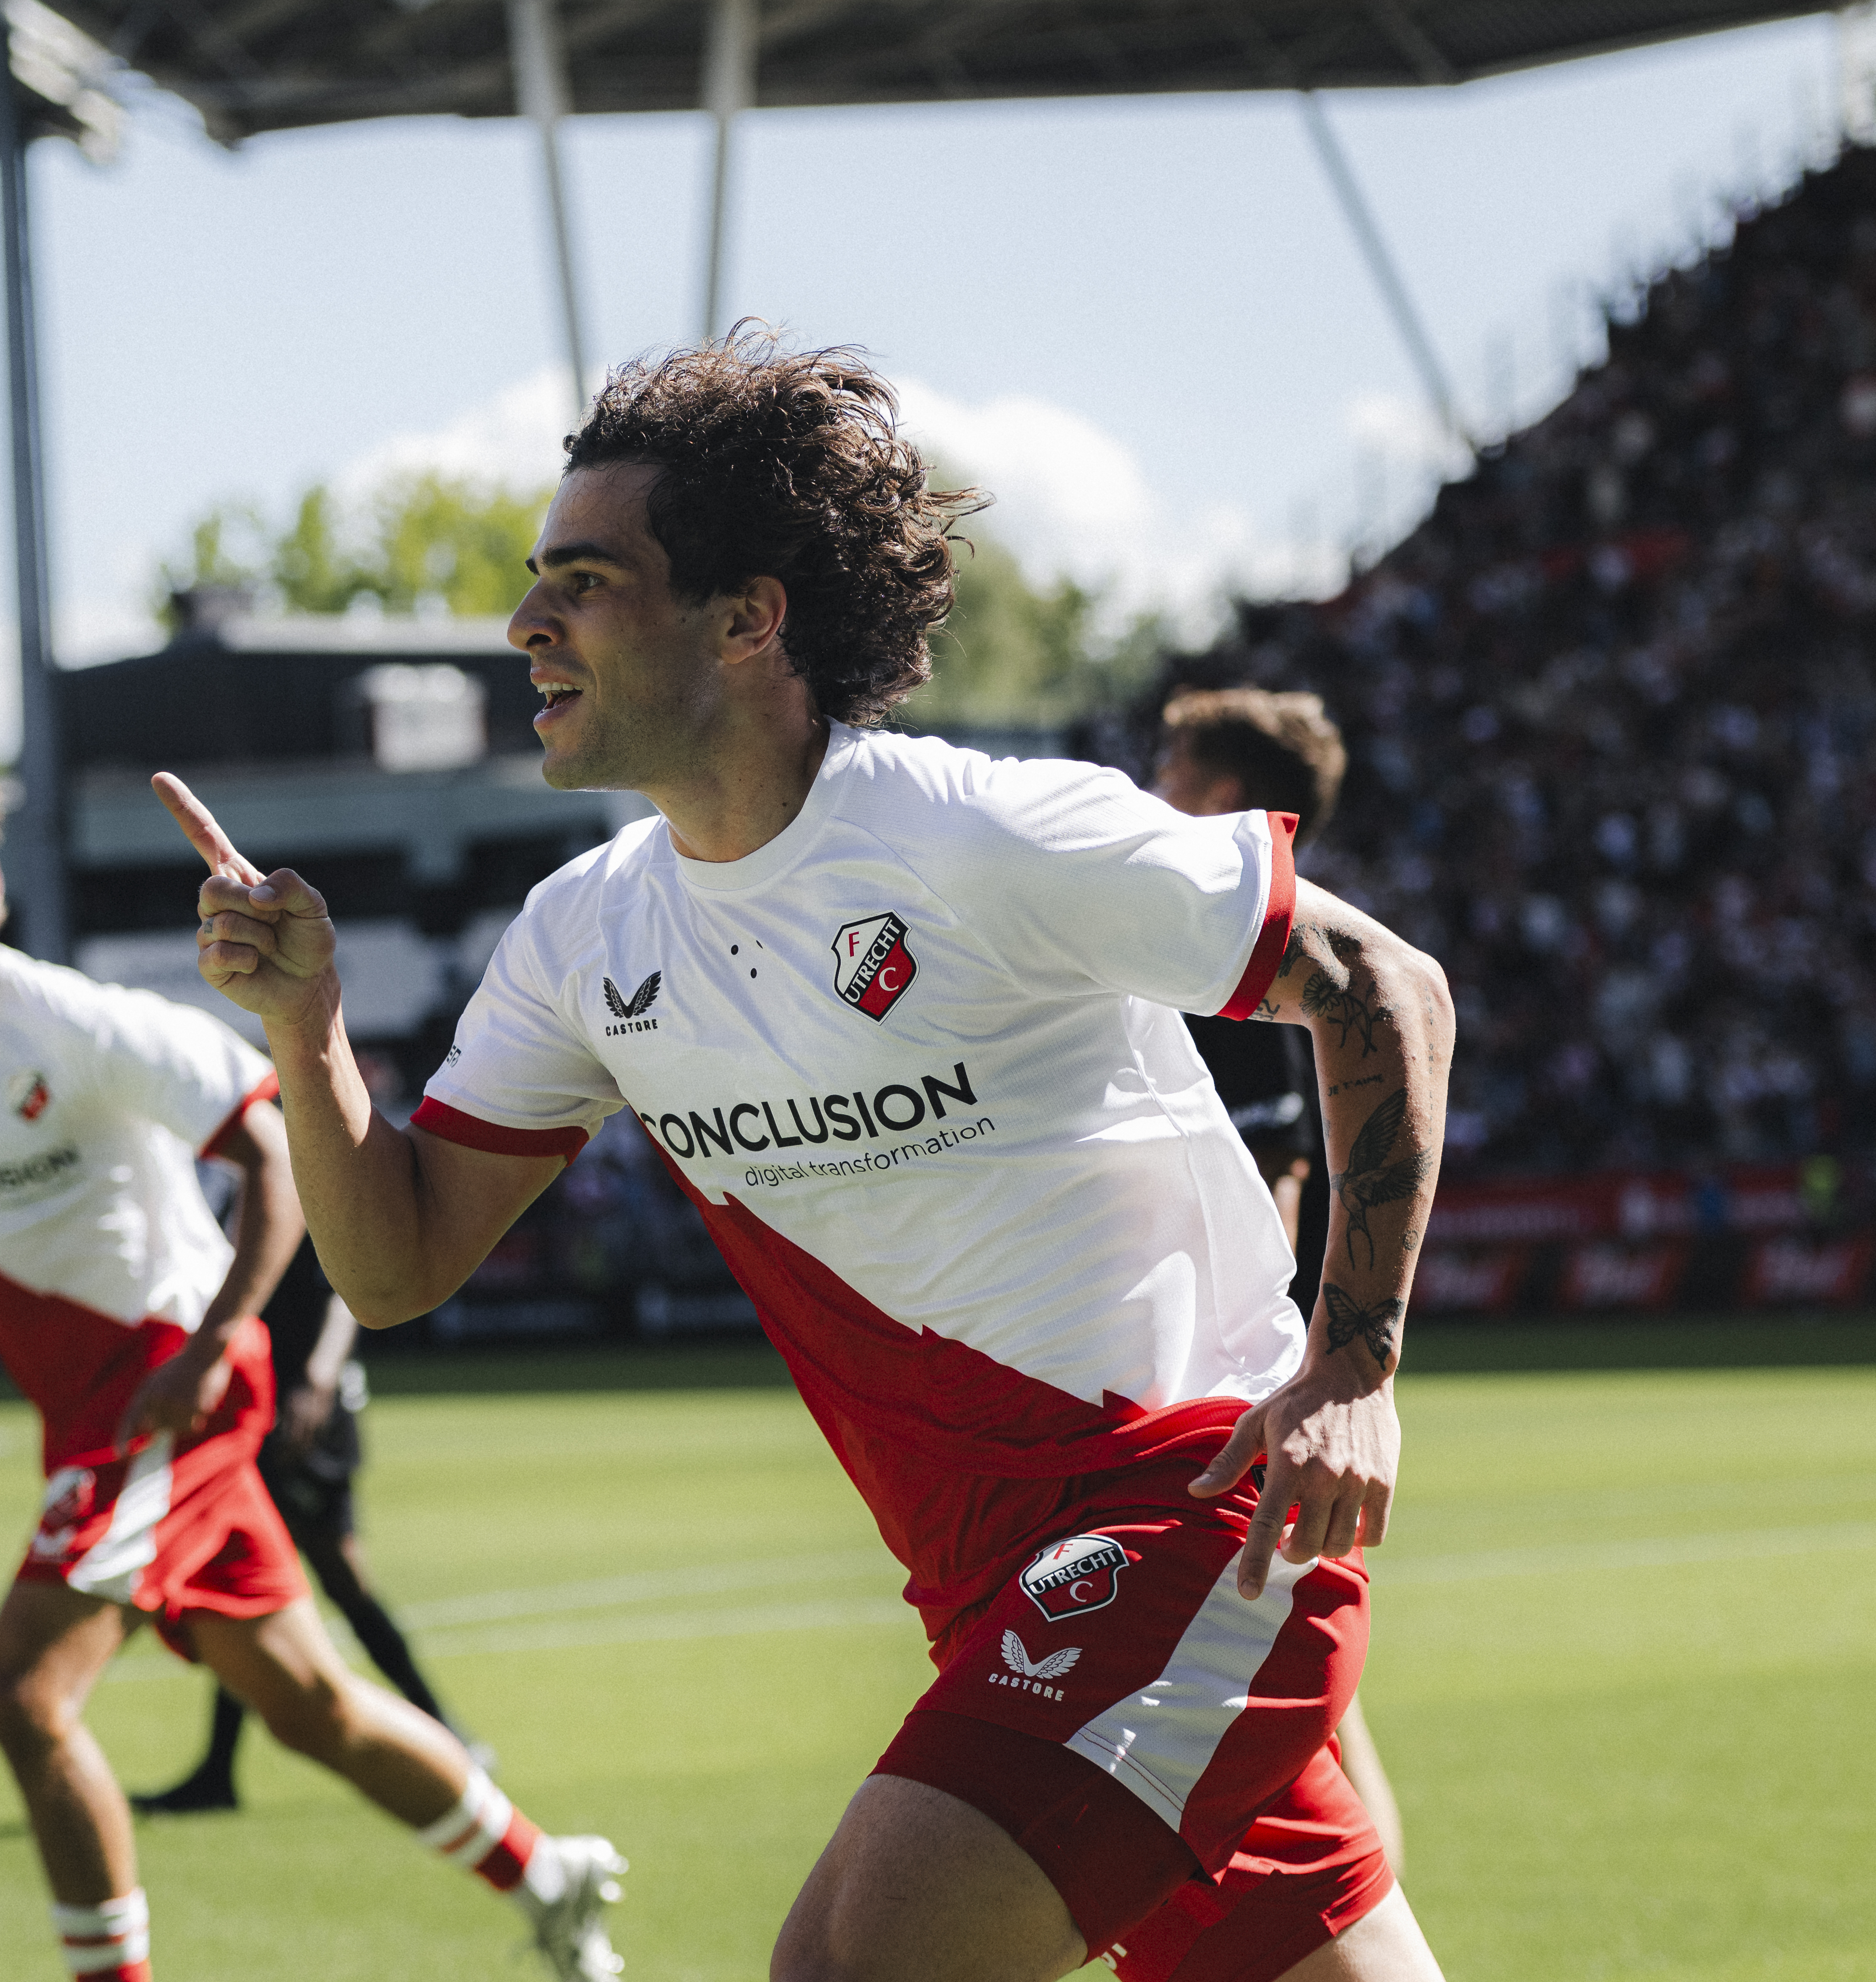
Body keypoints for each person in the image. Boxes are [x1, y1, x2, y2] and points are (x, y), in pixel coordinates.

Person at [160, 329, 1455, 1982]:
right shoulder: (583, 931)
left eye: (584, 578)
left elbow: (1379, 985)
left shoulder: (979, 832)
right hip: (984, 1584)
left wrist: (1352, 1365)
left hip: (1183, 1516)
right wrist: (306, 1023)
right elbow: (394, 1261)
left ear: (744, 615)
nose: (523, 622)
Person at [0, 752, 627, 1982]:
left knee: (23, 1695)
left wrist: (218, 1342)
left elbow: (274, 1157)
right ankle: (550, 1873)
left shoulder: (83, 1025)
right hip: (92, 1423)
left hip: (173, 1396)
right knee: (309, 1710)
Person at [1152, 687, 1407, 1880]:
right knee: (1303, 1711)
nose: (1151, 781)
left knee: (1309, 1716)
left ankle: (1369, 1923)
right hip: (1207, 1382)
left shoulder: (1229, 956)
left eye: (1171, 762)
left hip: (1216, 1390)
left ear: (1221, 795)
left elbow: (1276, 1177)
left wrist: (1259, 1368)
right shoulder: (1186, 936)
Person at [132, 1262, 468, 1816]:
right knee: (244, 1581)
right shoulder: (229, 1189)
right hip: (262, 1398)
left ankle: (446, 1737)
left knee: (332, 1576)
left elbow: (343, 1288)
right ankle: (217, 1773)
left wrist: (319, 1379)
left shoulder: (290, 1183)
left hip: (306, 1408)